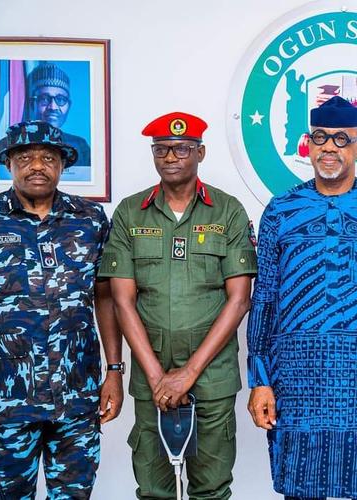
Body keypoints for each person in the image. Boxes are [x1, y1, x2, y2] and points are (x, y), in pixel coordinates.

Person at [247, 96, 357, 500]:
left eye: (342, 139)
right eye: (321, 138)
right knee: (299, 488)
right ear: (307, 144)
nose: (330, 148)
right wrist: (260, 381)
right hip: (297, 382)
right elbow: (265, 300)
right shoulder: (280, 210)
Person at [98, 111, 256, 499]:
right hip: (149, 373)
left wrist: (188, 373)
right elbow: (122, 299)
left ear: (200, 152)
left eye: (181, 149)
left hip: (213, 375)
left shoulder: (228, 211)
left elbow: (239, 300)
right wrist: (156, 376)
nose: (170, 157)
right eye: (161, 149)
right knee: (153, 488)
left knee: (212, 487)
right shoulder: (130, 212)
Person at [0, 120, 123, 498]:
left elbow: (104, 297)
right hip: (7, 401)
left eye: (47, 157)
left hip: (77, 398)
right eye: (24, 157)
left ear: (63, 164)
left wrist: (115, 371)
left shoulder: (89, 219)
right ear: (8, 164)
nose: (36, 165)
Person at [27, 62, 91, 166]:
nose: (53, 107)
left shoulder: (80, 146)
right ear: (32, 104)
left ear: (68, 106)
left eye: (61, 100)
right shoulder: (15, 144)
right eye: (44, 99)